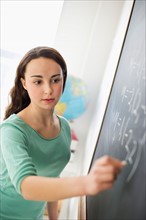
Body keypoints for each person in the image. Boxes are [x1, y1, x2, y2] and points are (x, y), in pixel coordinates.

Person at [0, 46, 126, 220]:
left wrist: (53, 217)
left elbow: (53, 176)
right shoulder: (11, 131)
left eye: (55, 80)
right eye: (38, 81)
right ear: (24, 83)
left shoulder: (64, 127)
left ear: (63, 80)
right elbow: (27, 186)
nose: (49, 90)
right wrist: (86, 183)